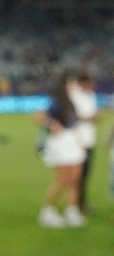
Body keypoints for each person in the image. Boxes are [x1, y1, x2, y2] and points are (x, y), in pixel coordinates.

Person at [36, 73, 87, 228]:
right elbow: (38, 116)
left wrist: (79, 141)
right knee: (63, 179)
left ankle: (71, 211)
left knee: (76, 179)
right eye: (71, 83)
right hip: (61, 143)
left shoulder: (71, 101)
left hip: (72, 141)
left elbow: (74, 123)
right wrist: (52, 125)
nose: (74, 86)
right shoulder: (56, 102)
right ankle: (47, 211)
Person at [68, 72, 100, 212]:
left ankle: (80, 203)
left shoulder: (91, 96)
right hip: (78, 141)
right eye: (90, 82)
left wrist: (93, 117)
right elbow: (71, 117)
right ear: (82, 82)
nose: (93, 85)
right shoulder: (74, 96)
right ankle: (75, 205)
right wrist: (90, 118)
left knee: (85, 175)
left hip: (89, 140)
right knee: (77, 175)